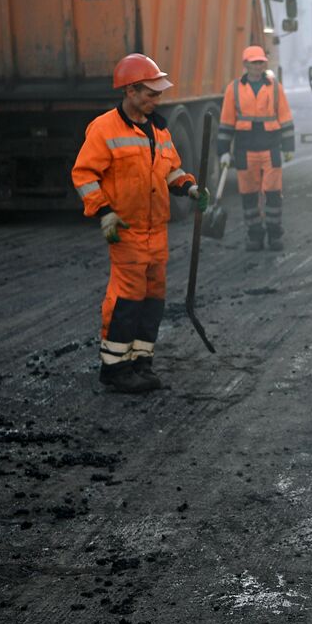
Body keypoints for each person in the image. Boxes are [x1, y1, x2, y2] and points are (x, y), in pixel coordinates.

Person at [71, 53, 207, 394]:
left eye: (158, 93)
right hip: (127, 229)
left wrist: (189, 188)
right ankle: (115, 368)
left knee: (153, 297)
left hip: (156, 228)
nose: (157, 99)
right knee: (127, 297)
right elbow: (85, 175)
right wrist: (104, 213)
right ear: (131, 91)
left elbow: (171, 169)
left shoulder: (159, 129)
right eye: (151, 93)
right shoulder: (104, 129)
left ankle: (141, 362)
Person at [216, 45, 295, 251]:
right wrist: (223, 151)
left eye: (261, 62)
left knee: (273, 193)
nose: (258, 66)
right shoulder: (233, 89)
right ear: (245, 65)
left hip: (270, 148)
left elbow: (285, 118)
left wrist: (288, 147)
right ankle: (255, 236)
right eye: (254, 63)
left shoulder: (275, 88)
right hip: (245, 149)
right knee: (249, 195)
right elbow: (226, 123)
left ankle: (275, 235)